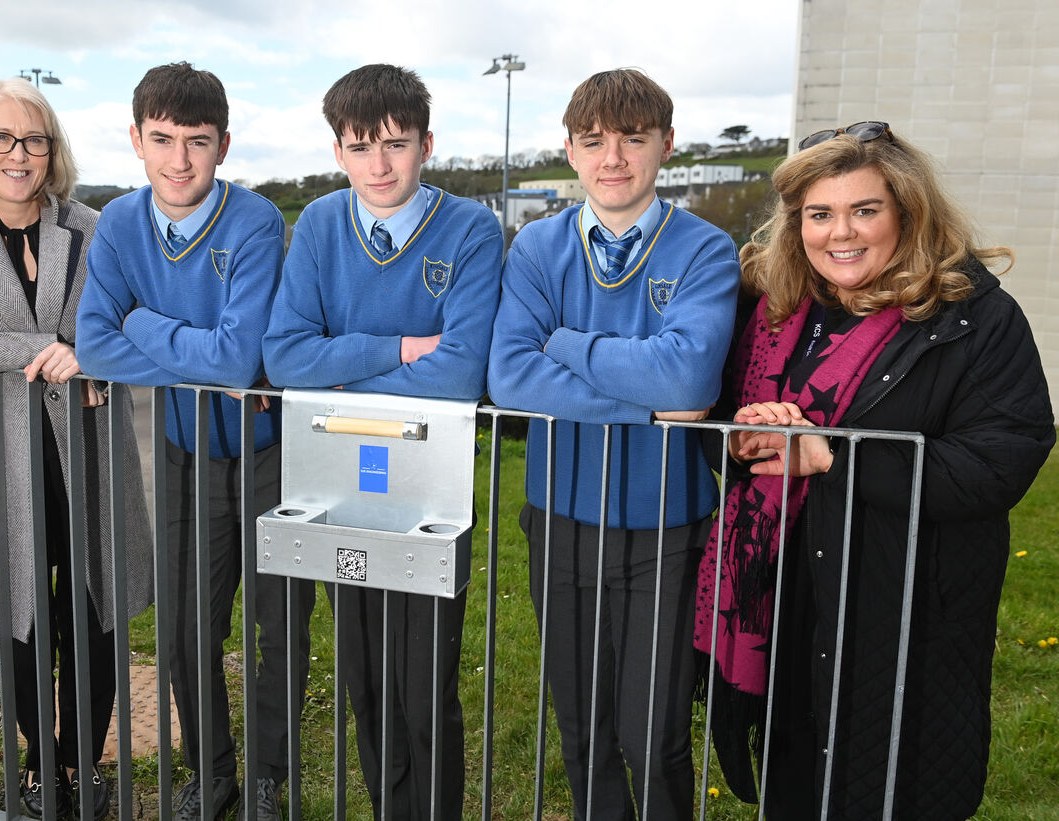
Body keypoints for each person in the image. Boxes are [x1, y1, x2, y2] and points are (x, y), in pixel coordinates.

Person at [693, 123, 1055, 820]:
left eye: (865, 210)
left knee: (894, 788)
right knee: (795, 785)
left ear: (907, 212)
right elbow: (727, 424)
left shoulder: (974, 317)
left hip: (906, 616)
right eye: (819, 214)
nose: (840, 234)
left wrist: (832, 455)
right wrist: (740, 445)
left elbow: (1001, 459)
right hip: (790, 602)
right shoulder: (774, 311)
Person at [487, 68, 741, 820]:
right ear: (569, 150)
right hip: (561, 519)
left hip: (669, 523)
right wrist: (648, 402)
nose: (615, 158)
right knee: (582, 731)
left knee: (653, 732)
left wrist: (563, 341)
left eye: (634, 138)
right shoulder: (536, 247)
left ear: (666, 144)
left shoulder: (704, 248)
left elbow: (690, 375)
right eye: (594, 140)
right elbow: (509, 376)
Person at [75, 62, 315, 821]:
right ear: (138, 141)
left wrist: (139, 321)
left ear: (224, 145)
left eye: (198, 142)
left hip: (276, 455)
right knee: (185, 630)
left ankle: (270, 777)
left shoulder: (253, 220)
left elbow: (239, 359)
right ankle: (210, 773)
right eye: (163, 140)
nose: (180, 161)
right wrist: (183, 346)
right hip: (185, 455)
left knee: (279, 628)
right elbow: (93, 344)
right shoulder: (117, 223)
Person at [263, 63, 502, 820]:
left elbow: (461, 371)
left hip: (430, 490)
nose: (379, 165)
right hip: (344, 485)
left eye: (395, 144)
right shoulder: (322, 225)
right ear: (338, 150)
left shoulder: (470, 230)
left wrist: (340, 388)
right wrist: (401, 348)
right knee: (364, 682)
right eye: (360, 148)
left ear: (427, 144)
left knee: (424, 686)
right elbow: (285, 356)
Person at [0, 77, 153, 821]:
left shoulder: (94, 222)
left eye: (35, 138)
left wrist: (88, 353)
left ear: (54, 148)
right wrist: (51, 346)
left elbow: (131, 321)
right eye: (2, 138)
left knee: (93, 610)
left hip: (87, 447)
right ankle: (39, 761)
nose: (20, 154)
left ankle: (83, 762)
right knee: (18, 614)